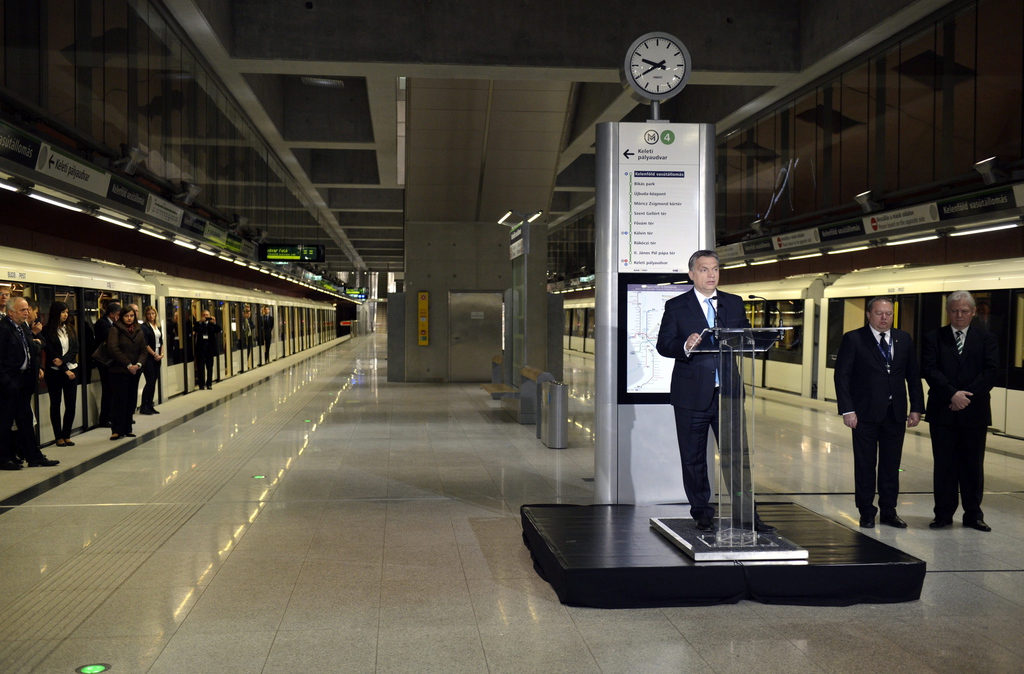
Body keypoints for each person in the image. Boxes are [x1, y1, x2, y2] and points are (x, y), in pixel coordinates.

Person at [656, 249, 775, 533]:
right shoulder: (676, 306)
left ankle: (747, 515)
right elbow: (664, 344)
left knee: (738, 457)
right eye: (704, 269)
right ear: (692, 274)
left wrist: (751, 340)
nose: (711, 275)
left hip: (729, 394)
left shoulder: (733, 304)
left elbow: (746, 336)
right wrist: (685, 345)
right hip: (691, 395)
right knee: (693, 459)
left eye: (715, 269)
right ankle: (702, 513)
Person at [834, 297, 924, 529]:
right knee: (865, 465)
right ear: (868, 314)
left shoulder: (903, 339)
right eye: (879, 313)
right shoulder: (854, 339)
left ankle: (889, 511)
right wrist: (848, 410)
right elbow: (842, 376)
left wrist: (916, 407)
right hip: (864, 415)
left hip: (895, 414)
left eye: (889, 314)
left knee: (890, 465)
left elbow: (913, 375)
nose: (884, 318)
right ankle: (866, 511)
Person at [922, 291, 999, 532]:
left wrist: (964, 397)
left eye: (965, 311)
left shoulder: (987, 338)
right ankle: (943, 514)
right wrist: (952, 394)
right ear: (948, 312)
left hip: (973, 412)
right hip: (943, 411)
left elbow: (991, 372)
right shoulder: (933, 338)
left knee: (973, 465)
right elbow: (930, 369)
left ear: (974, 312)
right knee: (944, 465)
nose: (959, 315)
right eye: (955, 310)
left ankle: (973, 514)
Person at [0, 297, 58, 468]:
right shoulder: (4, 329)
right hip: (10, 383)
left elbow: (32, 349)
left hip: (24, 382)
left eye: (27, 309)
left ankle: (34, 456)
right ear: (11, 312)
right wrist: (7, 383)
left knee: (25, 421)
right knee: (5, 422)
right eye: (22, 310)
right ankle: (4, 458)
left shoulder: (23, 328)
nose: (27, 312)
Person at [40, 301, 80, 447]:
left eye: (67, 312)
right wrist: (64, 368)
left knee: (71, 404)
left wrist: (63, 362)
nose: (65, 315)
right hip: (55, 373)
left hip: (71, 370)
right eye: (63, 312)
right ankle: (58, 437)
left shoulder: (70, 328)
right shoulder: (47, 330)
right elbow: (50, 352)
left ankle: (67, 434)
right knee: (56, 404)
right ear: (56, 313)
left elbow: (75, 348)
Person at [107, 306, 147, 440]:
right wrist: (128, 364)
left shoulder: (139, 330)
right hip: (120, 370)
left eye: (131, 316)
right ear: (121, 317)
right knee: (119, 400)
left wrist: (138, 365)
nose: (129, 318)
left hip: (135, 371)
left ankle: (128, 428)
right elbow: (113, 349)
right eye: (126, 316)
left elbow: (143, 350)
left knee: (131, 399)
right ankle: (117, 429)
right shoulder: (115, 329)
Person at [93, 301, 121, 427]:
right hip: (104, 361)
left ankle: (112, 415)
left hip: (112, 361)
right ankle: (104, 418)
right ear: (112, 314)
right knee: (108, 389)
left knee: (113, 390)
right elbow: (109, 337)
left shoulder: (112, 324)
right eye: (118, 315)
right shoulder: (102, 323)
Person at [139, 305, 163, 415]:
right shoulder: (144, 327)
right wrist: (154, 354)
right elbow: (145, 344)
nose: (151, 316)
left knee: (154, 381)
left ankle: (150, 404)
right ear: (146, 315)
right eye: (149, 314)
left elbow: (161, 341)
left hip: (158, 357)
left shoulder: (158, 326)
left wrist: (161, 354)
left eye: (153, 313)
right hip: (149, 357)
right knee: (150, 381)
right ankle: (144, 406)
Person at [192, 308, 221, 389]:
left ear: (210, 316)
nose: (205, 317)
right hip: (200, 350)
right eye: (204, 315)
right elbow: (195, 329)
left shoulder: (212, 324)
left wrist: (214, 322)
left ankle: (209, 383)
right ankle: (201, 384)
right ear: (201, 316)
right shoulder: (198, 324)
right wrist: (201, 321)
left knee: (209, 367)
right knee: (200, 368)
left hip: (210, 350)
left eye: (207, 315)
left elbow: (219, 329)